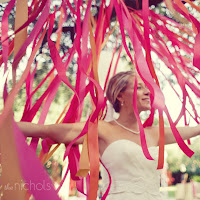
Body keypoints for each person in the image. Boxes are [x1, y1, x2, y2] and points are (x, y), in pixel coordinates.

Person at [17, 71, 200, 200]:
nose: (147, 92)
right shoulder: (101, 129)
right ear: (120, 96)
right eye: (139, 88)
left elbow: (196, 129)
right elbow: (45, 130)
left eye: (147, 88)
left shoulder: (155, 133)